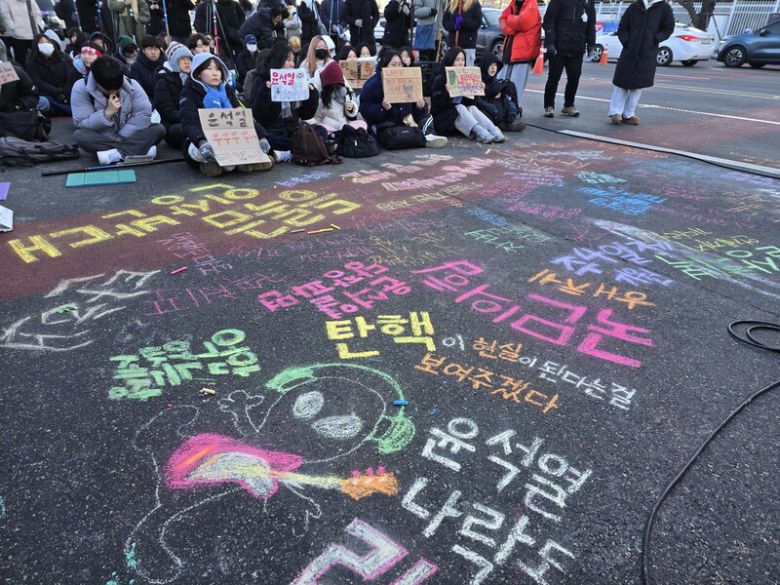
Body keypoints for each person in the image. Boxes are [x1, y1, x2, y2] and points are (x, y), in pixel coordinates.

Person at [181, 51, 274, 175]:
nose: (215, 73)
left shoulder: (227, 90)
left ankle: (223, 165)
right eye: (209, 69)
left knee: (258, 144)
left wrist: (261, 135)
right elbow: (189, 121)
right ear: (198, 73)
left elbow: (242, 116)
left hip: (231, 138)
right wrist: (201, 141)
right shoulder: (190, 91)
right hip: (204, 139)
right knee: (200, 151)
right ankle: (224, 164)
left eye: (218, 69)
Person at [71, 55, 165, 163]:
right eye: (108, 90)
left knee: (159, 129)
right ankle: (138, 150)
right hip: (103, 138)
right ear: (97, 82)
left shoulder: (131, 84)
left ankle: (116, 154)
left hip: (130, 135)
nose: (113, 93)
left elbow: (143, 114)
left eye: (117, 89)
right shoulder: (81, 88)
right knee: (80, 136)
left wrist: (122, 136)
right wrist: (106, 114)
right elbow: (81, 122)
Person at [359, 48, 447, 149]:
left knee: (427, 117)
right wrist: (382, 108)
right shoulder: (374, 83)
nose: (397, 67)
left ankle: (428, 135)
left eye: (399, 64)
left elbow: (420, 112)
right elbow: (365, 109)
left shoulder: (409, 80)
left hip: (408, 123)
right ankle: (422, 137)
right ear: (384, 65)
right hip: (388, 125)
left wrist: (421, 106)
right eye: (393, 64)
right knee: (394, 137)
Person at [251, 41, 319, 160]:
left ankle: (287, 153)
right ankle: (299, 149)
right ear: (278, 60)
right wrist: (265, 91)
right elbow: (258, 115)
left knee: (320, 131)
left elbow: (306, 114)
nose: (292, 64)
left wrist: (312, 94)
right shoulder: (261, 80)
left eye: (293, 60)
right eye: (288, 60)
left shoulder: (296, 80)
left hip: (293, 130)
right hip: (273, 131)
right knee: (268, 139)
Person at [608, 0, 673, 125]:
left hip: (647, 52)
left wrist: (655, 39)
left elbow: (669, 28)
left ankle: (628, 114)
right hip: (629, 51)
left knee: (638, 85)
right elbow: (623, 27)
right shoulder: (635, 6)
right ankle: (615, 112)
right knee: (622, 83)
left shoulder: (664, 8)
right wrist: (627, 42)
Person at [431, 47, 504, 143]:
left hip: (459, 117)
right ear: (450, 60)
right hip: (443, 119)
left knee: (472, 108)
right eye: (457, 60)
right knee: (460, 107)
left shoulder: (464, 76)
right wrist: (447, 93)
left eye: (463, 60)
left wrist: (476, 90)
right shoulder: (441, 78)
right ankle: (480, 132)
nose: (461, 63)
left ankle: (493, 130)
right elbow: (437, 106)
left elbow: (471, 102)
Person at [542, 0, 595, 118]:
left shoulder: (588, 2)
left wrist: (591, 44)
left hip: (577, 47)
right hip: (558, 47)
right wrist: (550, 43)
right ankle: (549, 106)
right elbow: (549, 21)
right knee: (553, 77)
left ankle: (568, 105)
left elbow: (591, 24)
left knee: (574, 77)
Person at [498, 0, 540, 111]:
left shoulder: (532, 4)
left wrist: (509, 19)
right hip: (510, 50)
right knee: (502, 81)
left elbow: (522, 22)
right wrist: (511, 28)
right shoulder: (513, 4)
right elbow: (501, 19)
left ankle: (512, 110)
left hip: (524, 52)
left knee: (516, 86)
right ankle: (501, 108)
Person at [153, 44, 191, 147]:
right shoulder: (164, 81)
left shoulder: (194, 79)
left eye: (189, 58)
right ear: (174, 61)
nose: (187, 62)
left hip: (194, 120)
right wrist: (190, 117)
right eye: (182, 58)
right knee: (180, 130)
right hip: (174, 124)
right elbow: (167, 112)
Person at [309, 59, 360, 134]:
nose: (336, 88)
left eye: (339, 86)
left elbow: (352, 106)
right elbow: (313, 119)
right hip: (326, 131)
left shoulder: (343, 89)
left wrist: (350, 109)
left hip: (344, 127)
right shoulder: (316, 94)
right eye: (334, 86)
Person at [25, 33, 71, 115]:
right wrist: (57, 92)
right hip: (48, 94)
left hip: (64, 92)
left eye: (47, 42)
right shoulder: (32, 63)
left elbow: (69, 76)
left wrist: (65, 91)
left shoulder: (60, 58)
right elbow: (38, 82)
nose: (45, 45)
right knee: (44, 101)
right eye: (42, 43)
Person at [476, 55, 525, 131]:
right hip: (486, 110)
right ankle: (501, 125)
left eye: (495, 65)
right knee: (486, 109)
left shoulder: (494, 79)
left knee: (509, 90)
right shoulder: (477, 80)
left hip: (497, 111)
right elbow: (478, 101)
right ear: (485, 66)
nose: (493, 68)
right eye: (491, 65)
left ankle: (507, 120)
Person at [0, 0, 45, 65]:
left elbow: (37, 13)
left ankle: (31, 72)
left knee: (28, 58)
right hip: (20, 34)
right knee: (25, 58)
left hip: (29, 33)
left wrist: (39, 24)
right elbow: (5, 16)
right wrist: (13, 27)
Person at [442, 0, 482, 66]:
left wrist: (463, 21)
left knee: (467, 70)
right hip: (453, 44)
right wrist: (453, 26)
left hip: (467, 44)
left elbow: (477, 23)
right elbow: (445, 21)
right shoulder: (451, 3)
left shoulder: (475, 4)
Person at [130, 35, 166, 99]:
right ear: (143, 50)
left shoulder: (166, 65)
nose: (153, 52)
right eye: (149, 49)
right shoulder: (136, 68)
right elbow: (138, 92)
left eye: (156, 49)